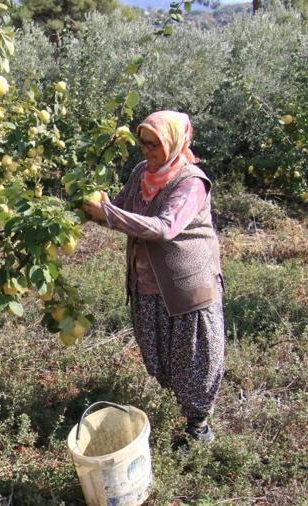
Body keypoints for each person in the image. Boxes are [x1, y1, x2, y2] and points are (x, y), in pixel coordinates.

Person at [83, 110, 225, 444]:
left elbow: (165, 227)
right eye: (142, 142)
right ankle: (182, 411)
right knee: (160, 353)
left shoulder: (191, 183)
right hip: (146, 284)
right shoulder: (140, 174)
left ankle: (199, 428)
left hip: (186, 287)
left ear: (175, 142)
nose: (146, 150)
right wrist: (89, 210)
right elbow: (119, 208)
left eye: (155, 144)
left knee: (194, 358)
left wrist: (110, 213)